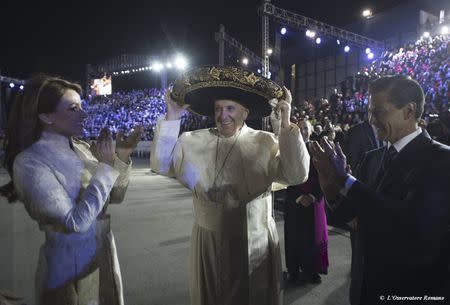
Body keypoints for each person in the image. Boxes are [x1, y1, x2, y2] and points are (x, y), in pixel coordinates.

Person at [150, 65, 310, 305]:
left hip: (255, 242)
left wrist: (285, 125)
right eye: (218, 108)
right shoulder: (193, 141)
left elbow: (297, 175)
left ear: (245, 112)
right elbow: (161, 165)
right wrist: (172, 118)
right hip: (208, 243)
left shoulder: (266, 142)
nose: (222, 115)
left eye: (230, 108)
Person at [1, 74, 141, 305]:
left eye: (82, 107)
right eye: (73, 109)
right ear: (46, 116)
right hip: (68, 267)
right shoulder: (30, 162)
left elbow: (115, 197)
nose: (84, 114)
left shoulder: (82, 148)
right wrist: (105, 169)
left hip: (103, 256)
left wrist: (122, 156)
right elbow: (77, 223)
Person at [311, 75, 450, 304]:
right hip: (365, 289)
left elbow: (407, 224)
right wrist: (330, 187)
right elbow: (350, 217)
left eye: (378, 112)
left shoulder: (441, 160)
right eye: (369, 112)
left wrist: (345, 180)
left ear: (409, 111)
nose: (372, 120)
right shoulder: (371, 159)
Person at [283, 118, 328, 286]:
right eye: (300, 128)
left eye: (306, 128)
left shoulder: (319, 149)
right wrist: (299, 197)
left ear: (311, 130)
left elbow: (325, 176)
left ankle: (312, 271)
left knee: (312, 238)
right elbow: (284, 174)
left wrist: (313, 197)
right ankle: (293, 271)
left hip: (314, 202)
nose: (303, 131)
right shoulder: (288, 149)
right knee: (294, 238)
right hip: (295, 201)